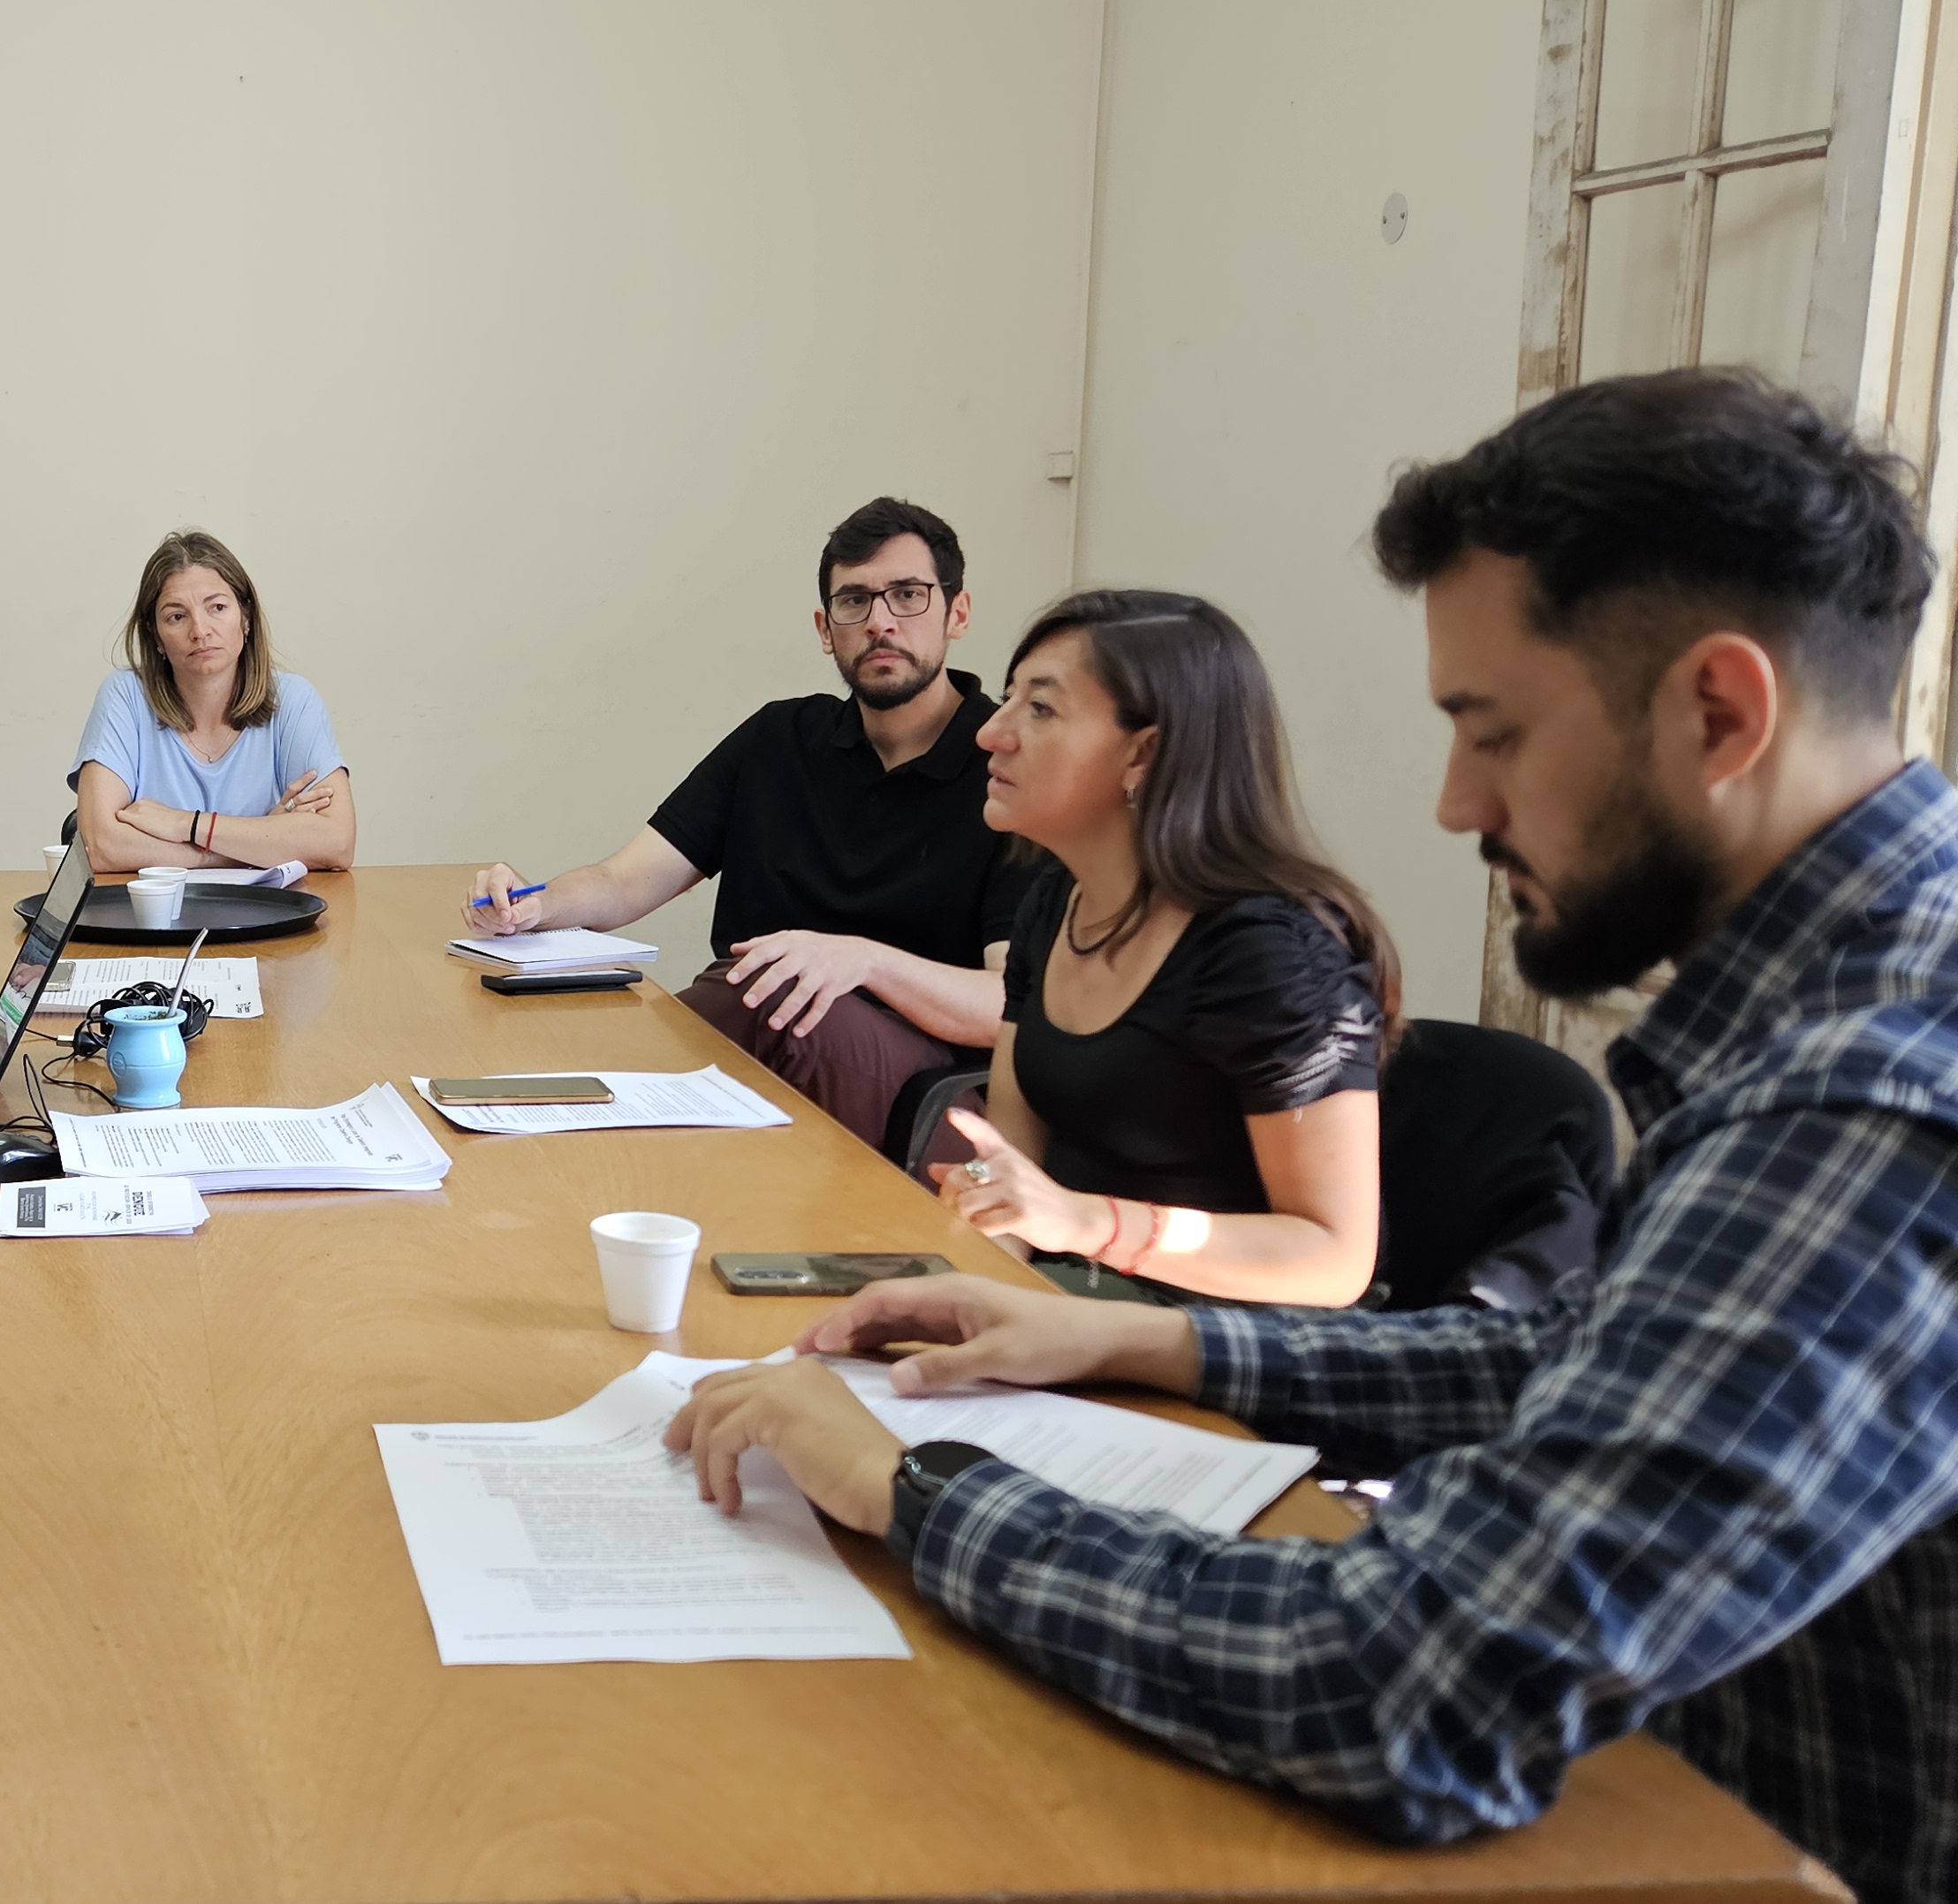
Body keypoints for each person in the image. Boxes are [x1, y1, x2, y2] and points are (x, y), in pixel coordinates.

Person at [662, 370, 1958, 1904]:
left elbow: (1400, 1680)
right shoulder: (1837, 1002)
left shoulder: (1875, 1091)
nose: (1454, 800)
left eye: (1493, 729)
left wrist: (906, 1485)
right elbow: (1568, 1361)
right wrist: (1134, 1349)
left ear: (1721, 712)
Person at [468, 497, 1025, 1149]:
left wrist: (861, 963)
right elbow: (624, 882)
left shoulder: (1006, 768)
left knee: (774, 1001)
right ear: (825, 628)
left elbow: (1009, 1004)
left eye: (907, 595)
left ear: (957, 612)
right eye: (854, 602)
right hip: (755, 1027)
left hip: (921, 1084)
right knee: (593, 1026)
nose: (880, 622)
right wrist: (531, 906)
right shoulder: (779, 738)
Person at [934, 589, 1393, 1308]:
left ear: (1143, 754)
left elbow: (1333, 1259)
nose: (991, 733)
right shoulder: (1054, 905)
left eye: (1041, 709)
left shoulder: (1271, 950)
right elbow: (1013, 1165)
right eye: (1008, 697)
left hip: (1229, 1346)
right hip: (1075, 1306)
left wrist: (1084, 1222)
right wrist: (977, 1290)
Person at [69, 529, 356, 871]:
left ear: (245, 617)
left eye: (217, 607)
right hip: (152, 921)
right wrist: (257, 845)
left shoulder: (293, 700)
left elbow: (337, 843)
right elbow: (101, 846)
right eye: (177, 616)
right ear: (155, 635)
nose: (200, 630)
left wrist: (185, 825)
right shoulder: (125, 696)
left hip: (269, 919)